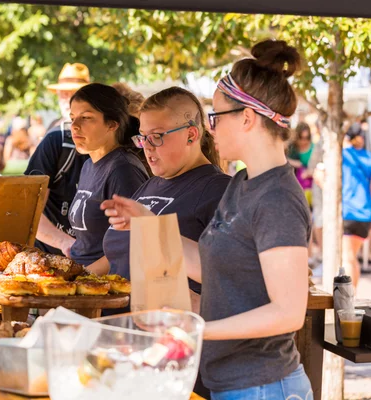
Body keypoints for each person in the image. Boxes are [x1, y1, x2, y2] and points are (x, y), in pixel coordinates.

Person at [103, 40, 312, 398]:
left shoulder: (277, 197)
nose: (209, 128)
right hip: (232, 383)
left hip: (264, 386)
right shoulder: (243, 184)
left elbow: (289, 313)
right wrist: (148, 222)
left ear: (247, 118)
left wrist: (197, 329)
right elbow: (211, 265)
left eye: (215, 116)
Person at [89, 87, 230, 311]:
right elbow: (119, 254)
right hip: (117, 325)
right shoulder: (151, 184)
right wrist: (77, 279)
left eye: (156, 137)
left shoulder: (218, 190)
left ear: (191, 135)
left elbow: (230, 275)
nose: (147, 148)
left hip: (167, 331)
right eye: (143, 138)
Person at [68, 83, 149, 267]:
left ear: (112, 124)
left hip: (105, 286)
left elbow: (131, 244)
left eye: (86, 118)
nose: (74, 126)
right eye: (72, 118)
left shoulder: (123, 170)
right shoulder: (89, 164)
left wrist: (84, 278)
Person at [24, 63, 91, 257]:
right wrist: (66, 243)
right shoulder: (55, 138)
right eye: (62, 93)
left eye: (73, 93)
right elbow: (29, 209)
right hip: (48, 258)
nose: (66, 98)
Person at [341, 122, 371, 289]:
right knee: (352, 257)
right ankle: (353, 297)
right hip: (365, 213)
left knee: (348, 258)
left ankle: (349, 300)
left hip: (349, 211)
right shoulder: (369, 158)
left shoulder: (342, 155)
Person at [287, 122, 314, 206]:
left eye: (307, 137)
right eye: (301, 138)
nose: (304, 141)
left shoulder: (314, 148)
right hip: (294, 186)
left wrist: (309, 172)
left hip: (310, 187)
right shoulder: (291, 148)